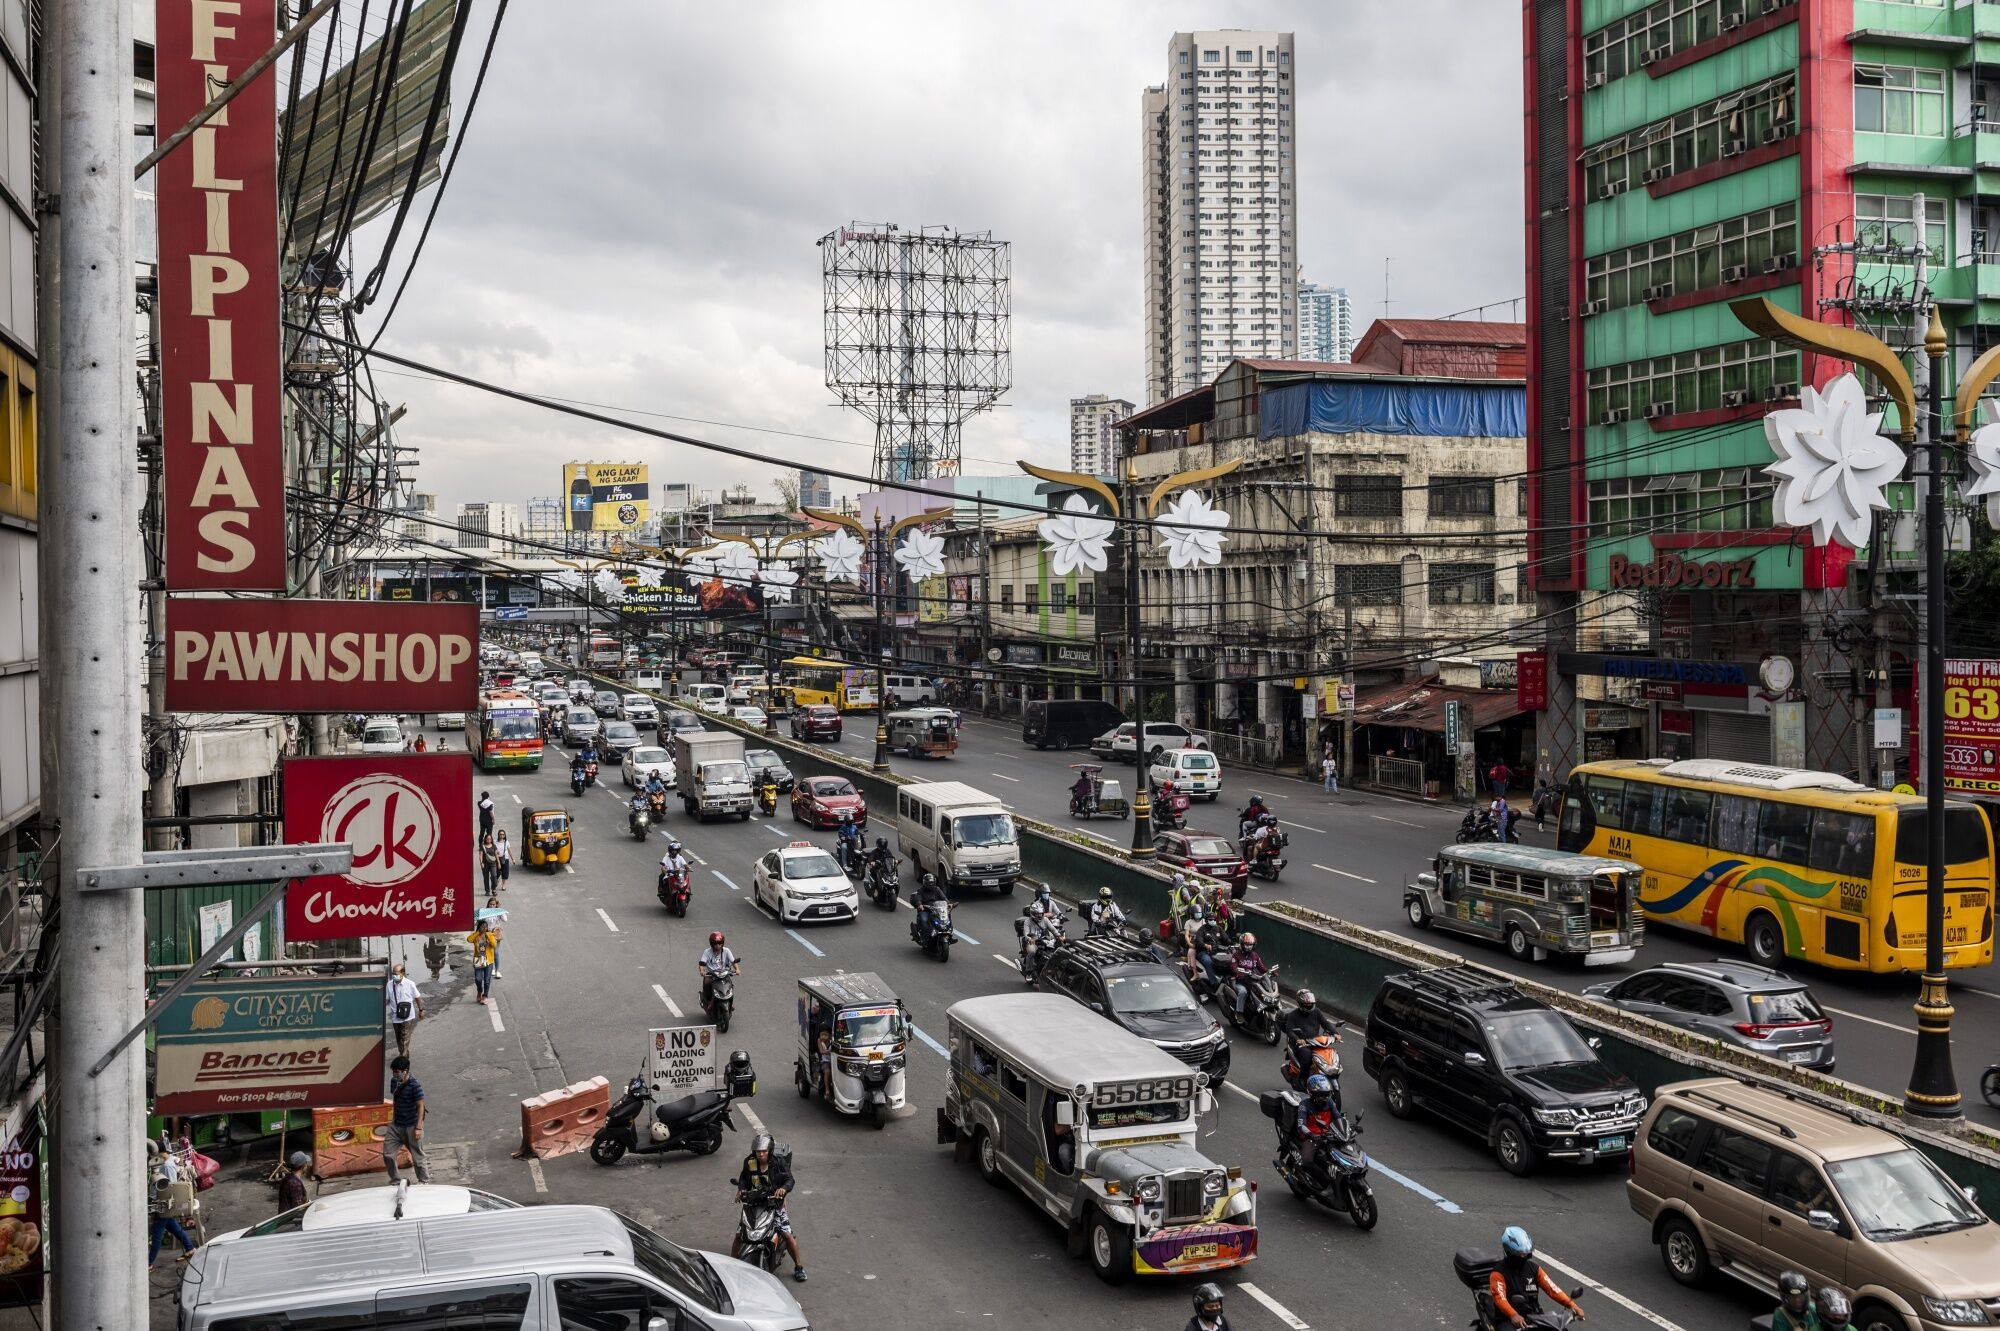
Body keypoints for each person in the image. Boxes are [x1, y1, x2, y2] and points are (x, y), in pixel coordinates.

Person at [732, 1133, 807, 1282]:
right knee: (740, 1235)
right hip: (753, 1204)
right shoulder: (749, 1162)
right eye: (758, 1151)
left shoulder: (778, 1162)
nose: (761, 1154)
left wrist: (783, 1190)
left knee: (787, 1234)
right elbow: (743, 1178)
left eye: (764, 1151)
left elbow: (789, 1179)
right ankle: (731, 1264)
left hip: (775, 1204)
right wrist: (740, 1189)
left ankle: (799, 1267)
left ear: (770, 1151)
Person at [1489, 1226, 1583, 1329]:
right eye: (1520, 1255)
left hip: (1533, 1316)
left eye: (1527, 1255)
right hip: (1507, 1319)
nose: (1524, 1258)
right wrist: (1513, 1315)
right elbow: (1500, 1299)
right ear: (1509, 1252)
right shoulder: (1498, 1273)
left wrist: (1573, 1306)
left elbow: (1553, 1289)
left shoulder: (1534, 1269)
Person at [146, 1141, 196, 1266]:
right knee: (173, 1227)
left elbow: (171, 1187)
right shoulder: (166, 1161)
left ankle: (149, 1263)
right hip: (162, 1203)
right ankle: (190, 1248)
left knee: (157, 1234)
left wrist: (162, 1204)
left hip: (163, 1204)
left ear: (158, 1152)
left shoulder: (167, 1166)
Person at [384, 1056, 432, 1184]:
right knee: (388, 1154)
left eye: (397, 1072)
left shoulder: (414, 1085)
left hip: (412, 1126)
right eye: (393, 1071)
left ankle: (424, 1181)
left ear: (405, 1071)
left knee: (417, 1157)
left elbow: (421, 1106)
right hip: (396, 1125)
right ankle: (395, 1180)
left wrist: (418, 1127)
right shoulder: (394, 1082)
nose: (395, 1074)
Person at [384, 961, 425, 1057]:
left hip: (408, 1017)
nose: (394, 976)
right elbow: (387, 1000)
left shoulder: (410, 984)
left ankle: (402, 1058)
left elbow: (417, 997)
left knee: (405, 1037)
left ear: (402, 973)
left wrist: (421, 1010)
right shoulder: (389, 985)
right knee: (399, 1039)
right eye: (393, 974)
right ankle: (404, 1053)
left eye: (396, 974)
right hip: (395, 1017)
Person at [1227, 932, 1267, 1021]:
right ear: (1242, 944)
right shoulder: (1236, 955)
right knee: (1243, 992)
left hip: (1252, 980)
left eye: (1251, 945)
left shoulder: (1254, 955)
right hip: (1239, 981)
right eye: (1247, 944)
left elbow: (1262, 968)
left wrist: (1269, 972)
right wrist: (1239, 972)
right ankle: (1239, 1013)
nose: (1249, 947)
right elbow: (1233, 967)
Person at [697, 931, 738, 1013]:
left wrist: (737, 969)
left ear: (722, 943)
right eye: (715, 944)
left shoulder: (726, 951)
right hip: (711, 974)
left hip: (724, 973)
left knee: (730, 985)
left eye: (720, 943)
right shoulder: (707, 952)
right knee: (707, 983)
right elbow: (702, 963)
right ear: (712, 944)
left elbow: (733, 961)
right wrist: (702, 971)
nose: (718, 946)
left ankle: (730, 1003)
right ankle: (708, 1001)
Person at [467, 919, 501, 1004]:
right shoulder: (476, 936)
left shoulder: (490, 935)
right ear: (479, 927)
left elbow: (494, 945)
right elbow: (469, 939)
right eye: (482, 926)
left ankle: (485, 996)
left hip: (489, 961)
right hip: (478, 960)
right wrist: (478, 932)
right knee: (478, 979)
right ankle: (479, 991)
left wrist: (488, 936)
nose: (484, 928)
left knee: (487, 980)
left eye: (486, 926)